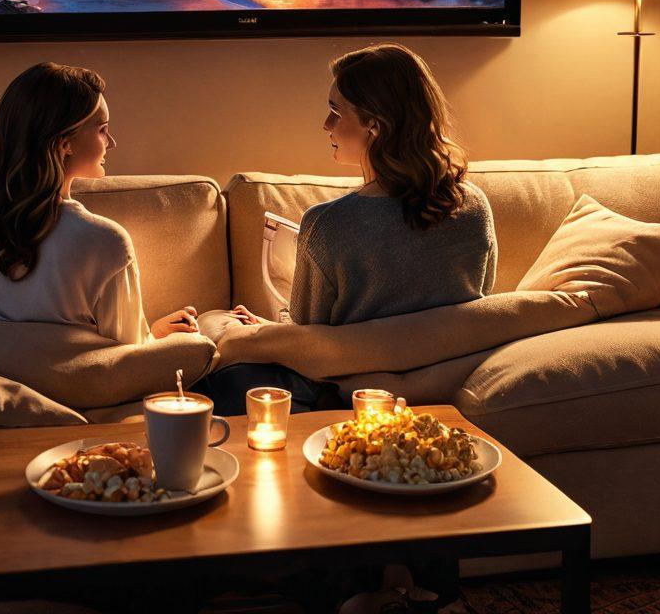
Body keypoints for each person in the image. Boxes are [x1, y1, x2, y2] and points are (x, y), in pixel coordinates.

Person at [207, 43, 496, 410]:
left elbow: (307, 345)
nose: (325, 125)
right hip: (443, 385)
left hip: (346, 395)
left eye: (334, 111)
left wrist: (265, 332)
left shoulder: (329, 224)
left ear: (375, 125)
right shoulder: (473, 207)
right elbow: (478, 309)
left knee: (214, 326)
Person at [0, 62, 199, 342]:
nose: (111, 142)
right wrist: (153, 338)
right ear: (64, 143)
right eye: (102, 129)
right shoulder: (105, 241)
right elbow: (126, 361)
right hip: (67, 387)